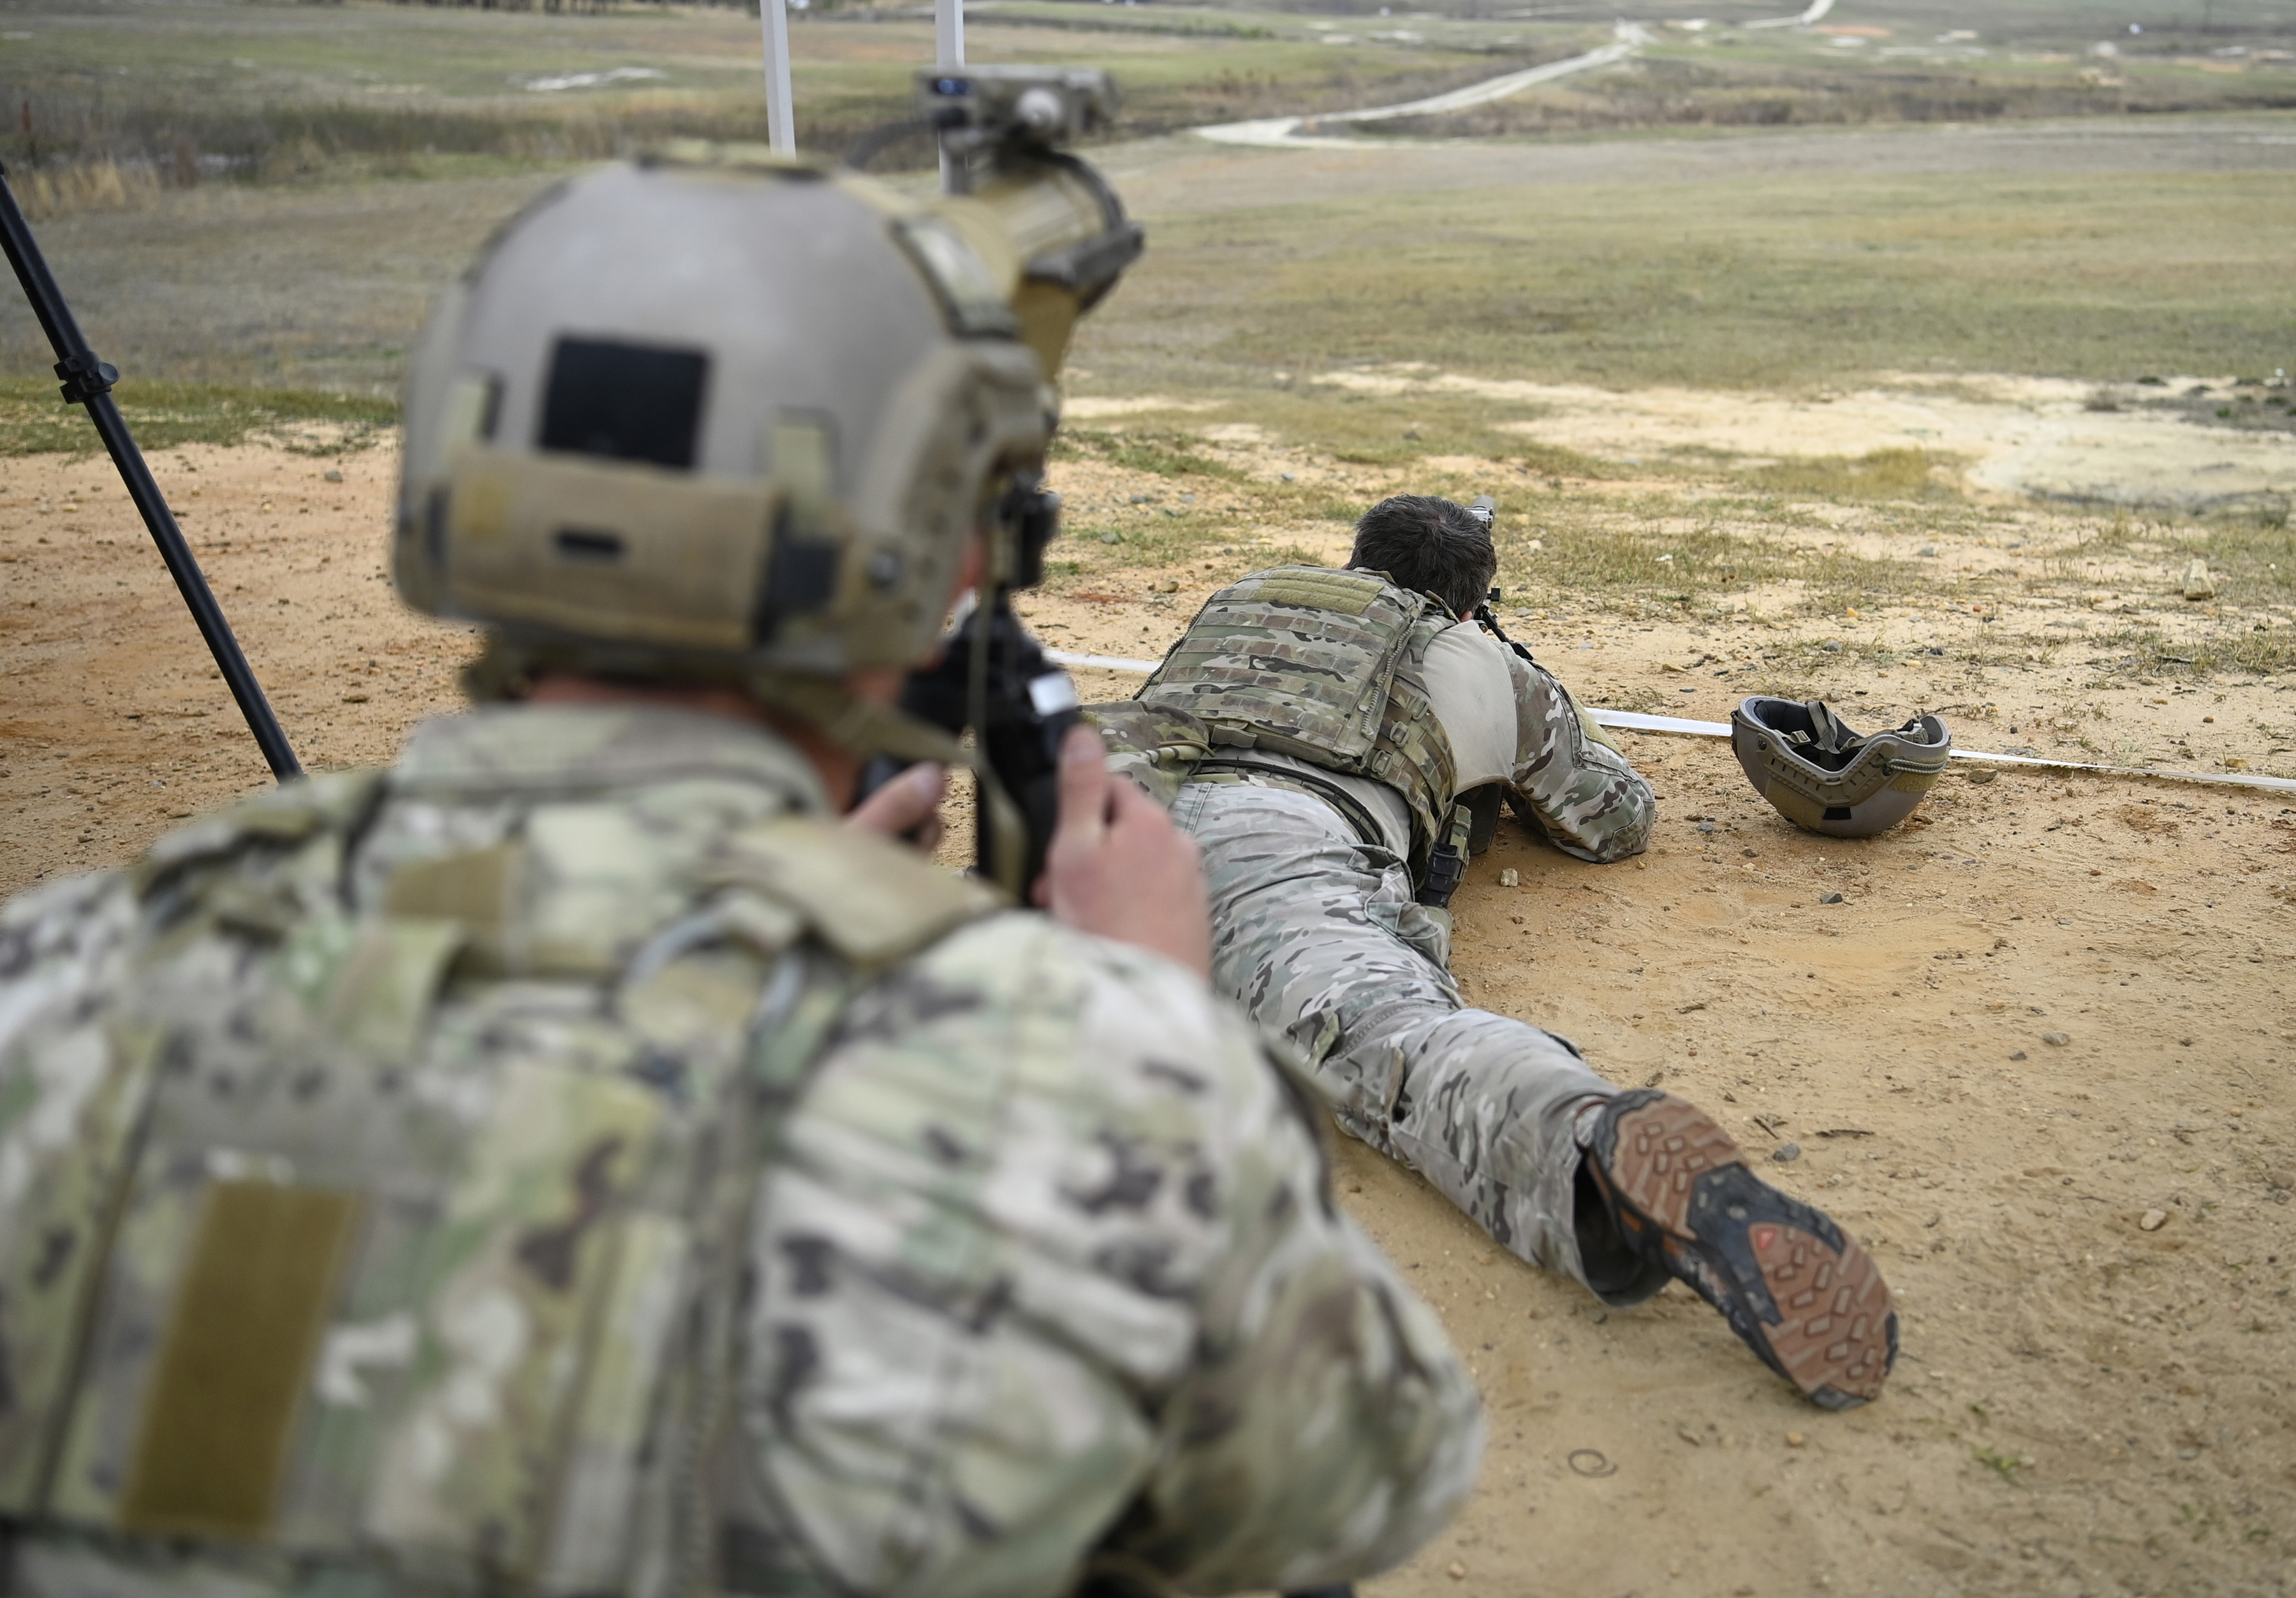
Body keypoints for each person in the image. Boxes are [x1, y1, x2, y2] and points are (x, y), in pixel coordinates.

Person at [0, 154, 1481, 1598]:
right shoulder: (1062, 1085)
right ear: (913, 551)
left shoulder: (50, 988)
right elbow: (1359, 1475)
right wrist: (1164, 1032)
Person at [1124, 494, 1897, 1410]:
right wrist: (1549, 712)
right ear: (1470, 600)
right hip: (1267, 840)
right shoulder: (1476, 660)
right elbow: (1614, 823)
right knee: (1377, 1032)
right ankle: (1586, 1144)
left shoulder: (1248, 595)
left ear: (1355, 559)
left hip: (1088, 816)